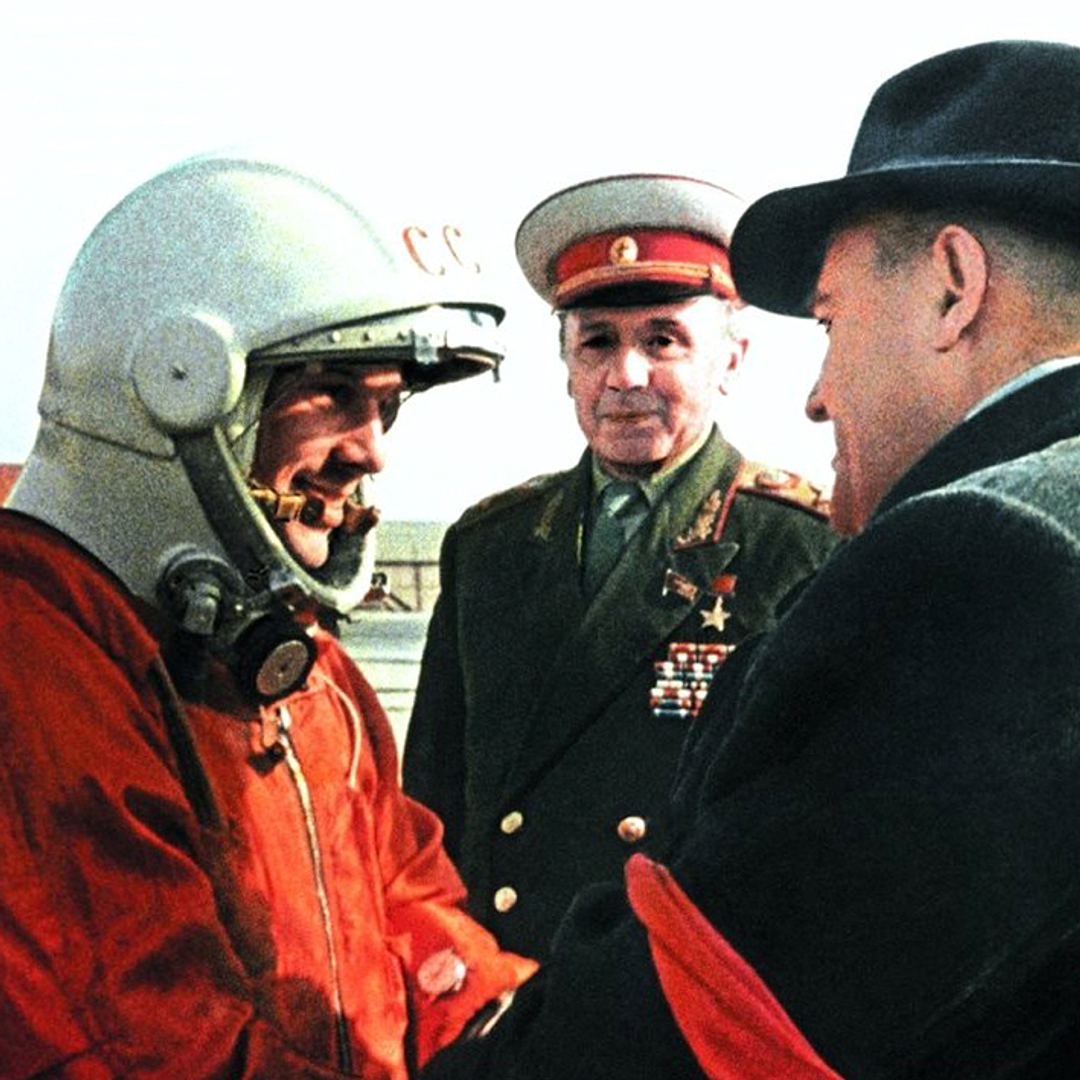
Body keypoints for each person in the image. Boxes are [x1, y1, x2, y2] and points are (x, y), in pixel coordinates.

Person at [420, 39, 1080, 1079]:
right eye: (596, 344)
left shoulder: (974, 554)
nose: (817, 396)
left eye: (831, 322)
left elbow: (728, 1016)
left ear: (955, 288)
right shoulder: (492, 543)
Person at [0, 154, 536, 1080]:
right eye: (332, 394)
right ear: (179, 386)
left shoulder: (301, 668)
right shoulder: (37, 662)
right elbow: (148, 1043)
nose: (369, 451)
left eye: (387, 407)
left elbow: (406, 901)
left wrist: (511, 1024)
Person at [403, 173, 838, 960]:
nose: (626, 376)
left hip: (667, 984)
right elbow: (428, 810)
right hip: (493, 980)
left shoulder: (799, 546)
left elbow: (810, 830)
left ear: (731, 360)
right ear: (566, 363)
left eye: (663, 341)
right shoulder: (491, 545)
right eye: (598, 341)